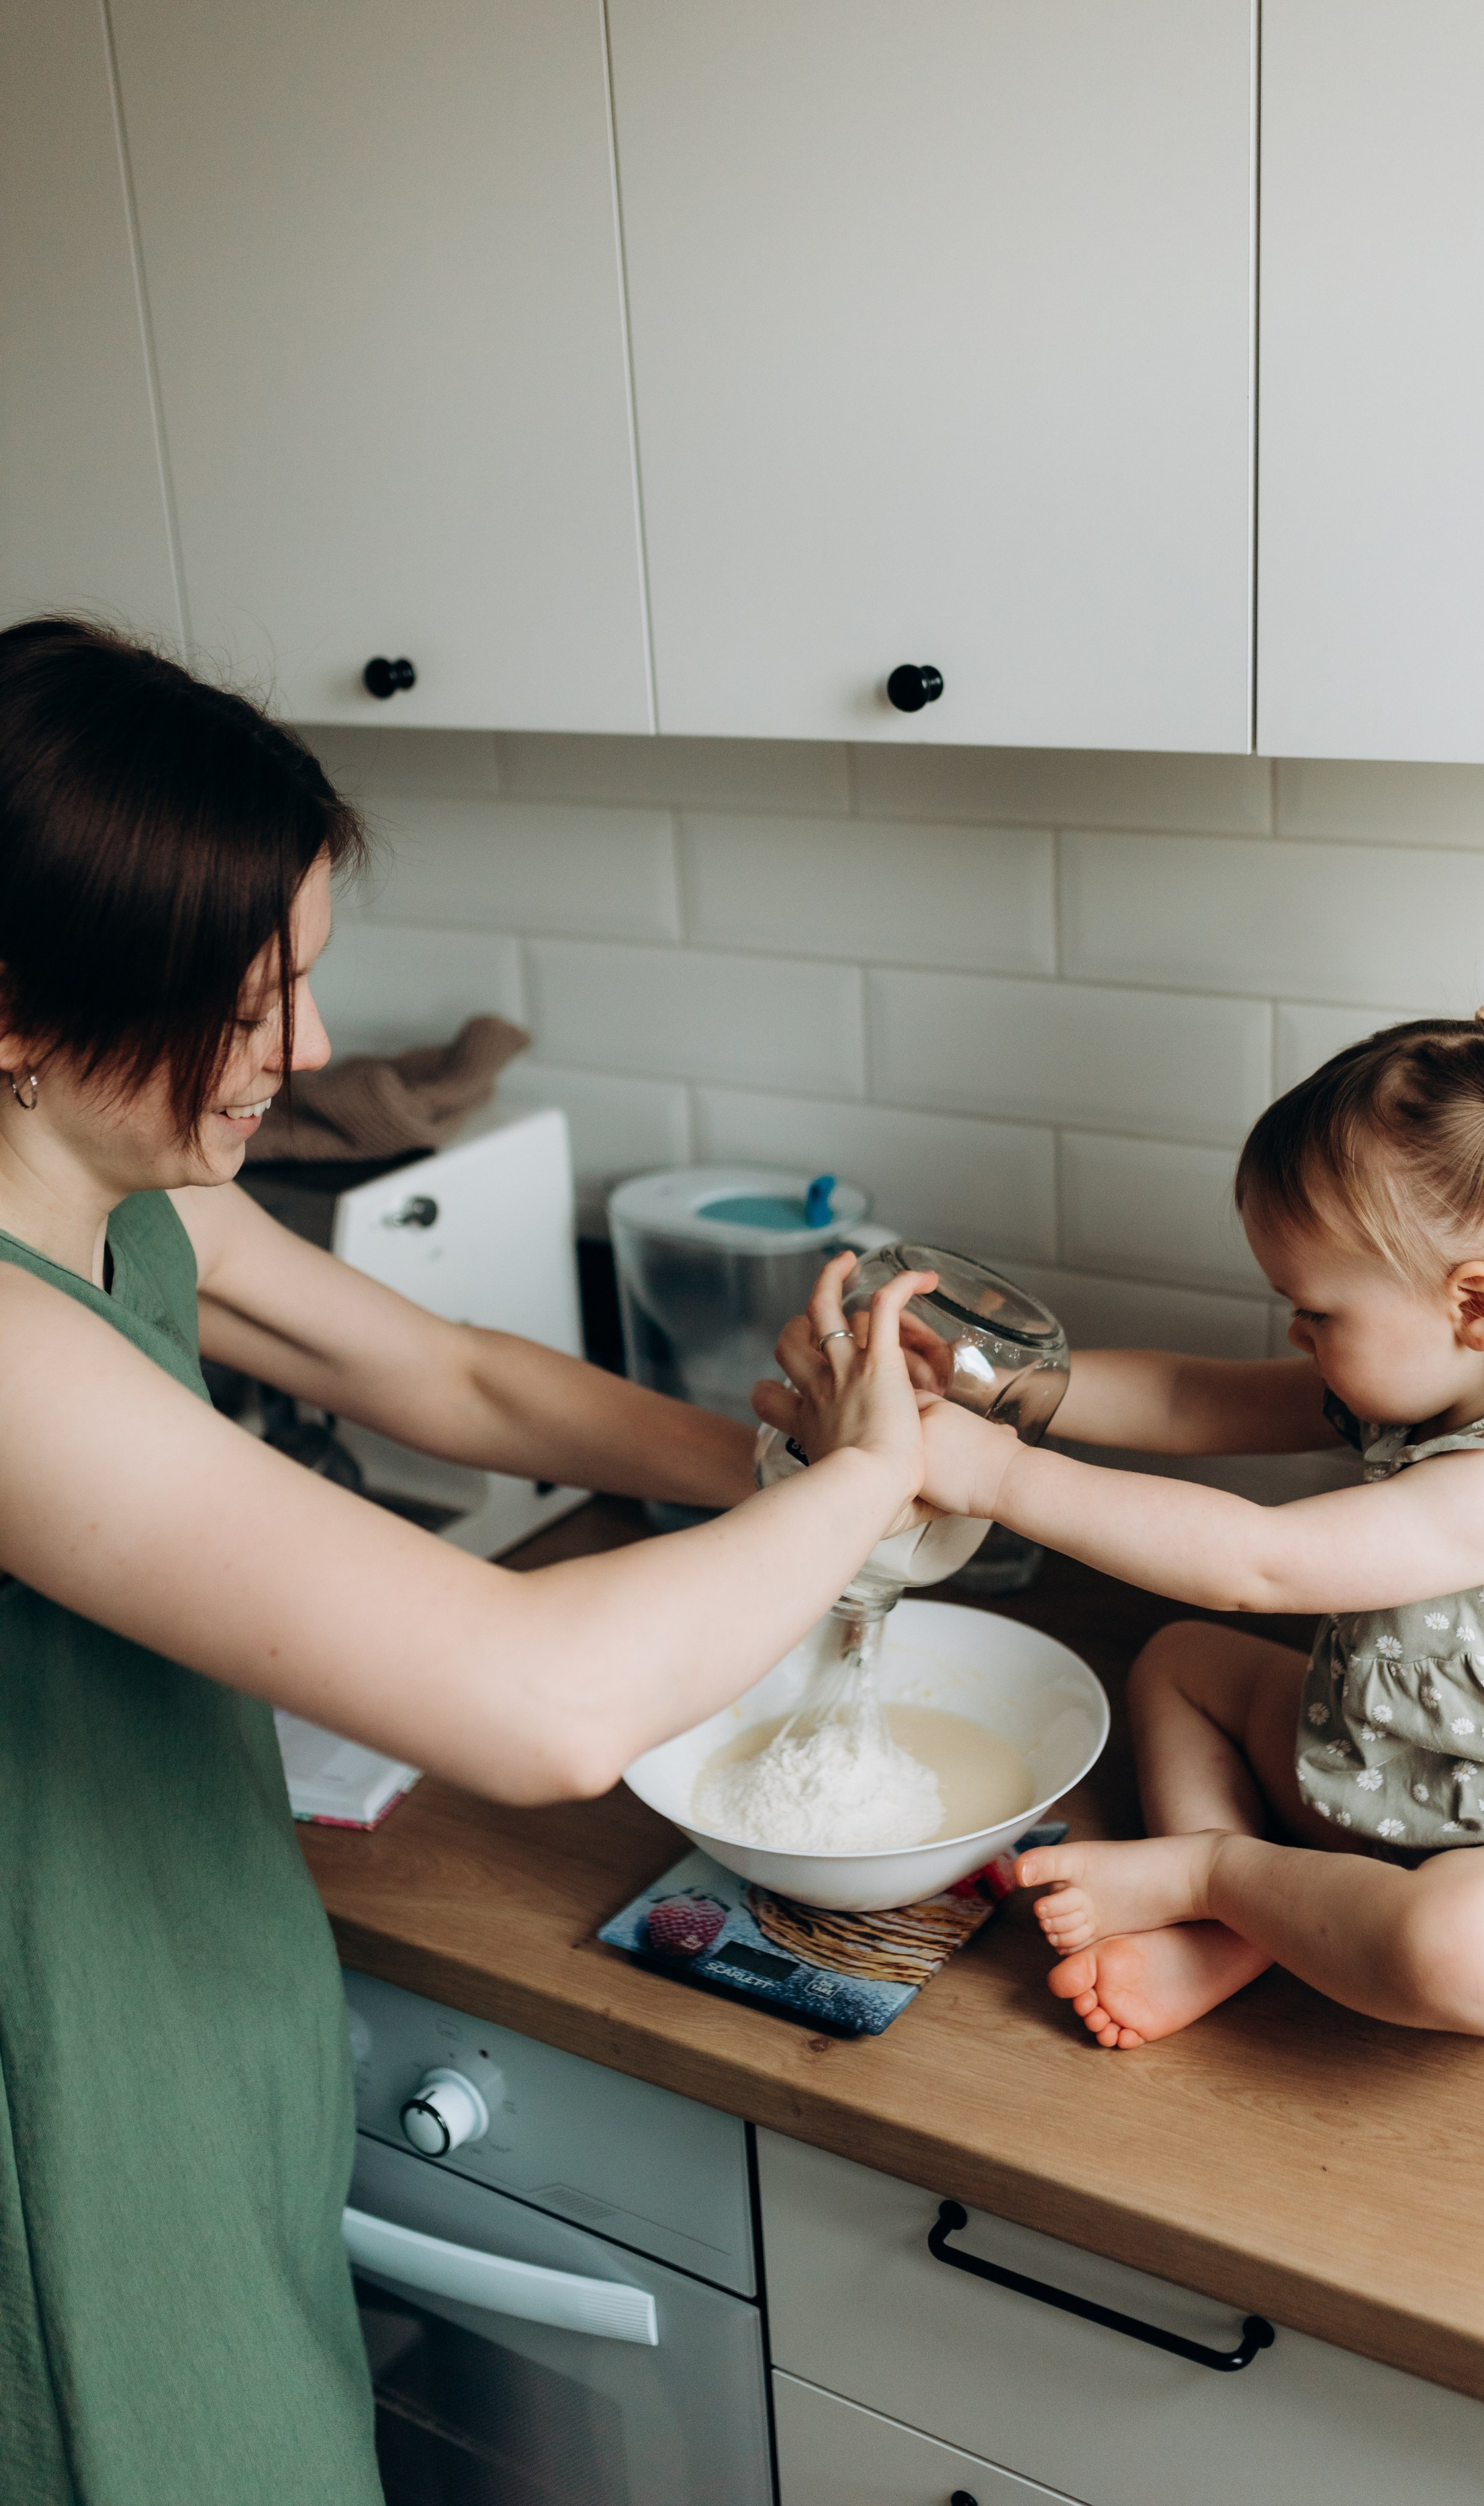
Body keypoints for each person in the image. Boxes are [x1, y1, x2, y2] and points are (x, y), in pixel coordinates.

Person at [0, 618, 932, 2505]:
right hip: (57, 2094)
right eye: (245, 1003)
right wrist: (855, 1498)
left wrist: (787, 1453)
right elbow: (541, 1703)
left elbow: (444, 1371)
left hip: (197, 1986)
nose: (313, 1053)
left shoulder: (120, 1190)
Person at [773, 966, 1484, 2088]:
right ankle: (1251, 1936)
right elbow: (1186, 1401)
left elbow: (1260, 1563)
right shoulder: (1427, 1385)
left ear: (1474, 1305)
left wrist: (999, 1476)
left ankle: (1218, 1884)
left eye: (1318, 1312)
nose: (1295, 1331)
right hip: (1398, 1773)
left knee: (1472, 1948)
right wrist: (996, 1393)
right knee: (1178, 1666)